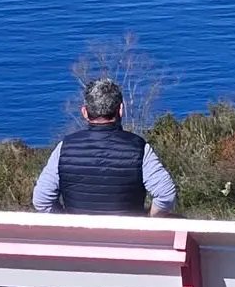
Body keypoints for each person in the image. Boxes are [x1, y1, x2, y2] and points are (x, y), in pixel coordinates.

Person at [32, 79, 177, 216]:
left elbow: (41, 201)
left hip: (79, 239)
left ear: (84, 112)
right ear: (120, 110)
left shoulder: (64, 148)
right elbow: (166, 195)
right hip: (128, 239)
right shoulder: (139, 148)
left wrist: (67, 220)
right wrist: (149, 219)